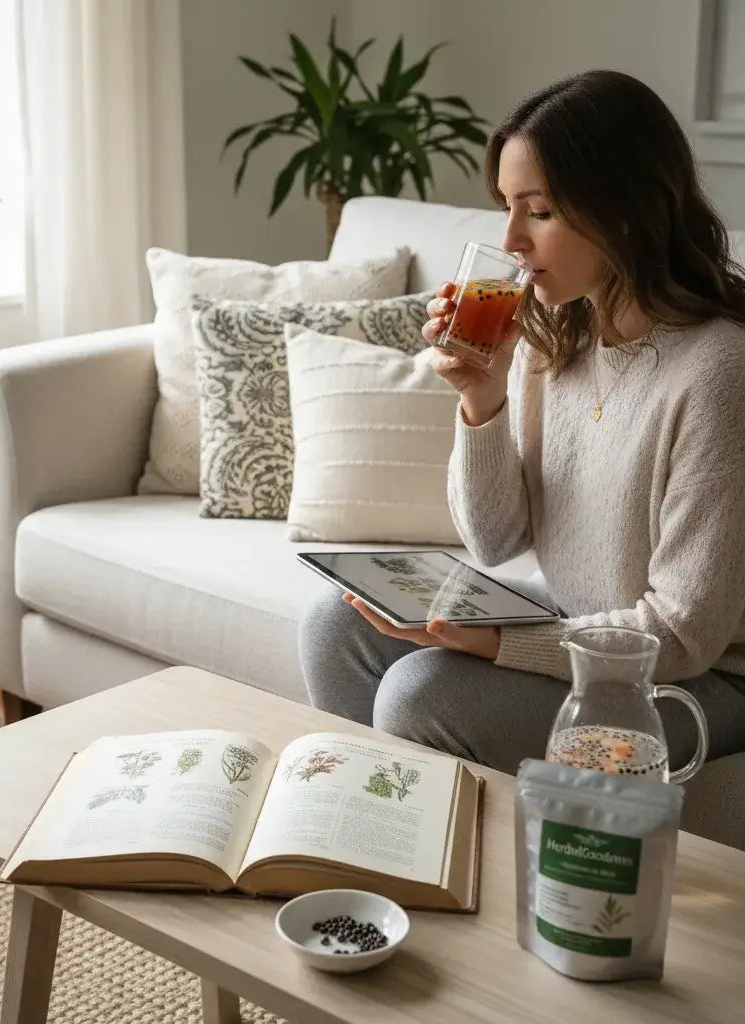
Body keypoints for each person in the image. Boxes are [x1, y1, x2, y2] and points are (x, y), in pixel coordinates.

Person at [298, 69, 745, 775]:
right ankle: (379, 837)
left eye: (537, 211)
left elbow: (682, 633)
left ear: (623, 207)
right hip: (581, 615)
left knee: (423, 695)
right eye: (507, 207)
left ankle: (438, 859)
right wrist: (483, 397)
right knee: (337, 627)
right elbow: (495, 538)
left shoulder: (718, 372)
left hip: (701, 678)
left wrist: (499, 641)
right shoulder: (556, 335)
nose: (510, 239)